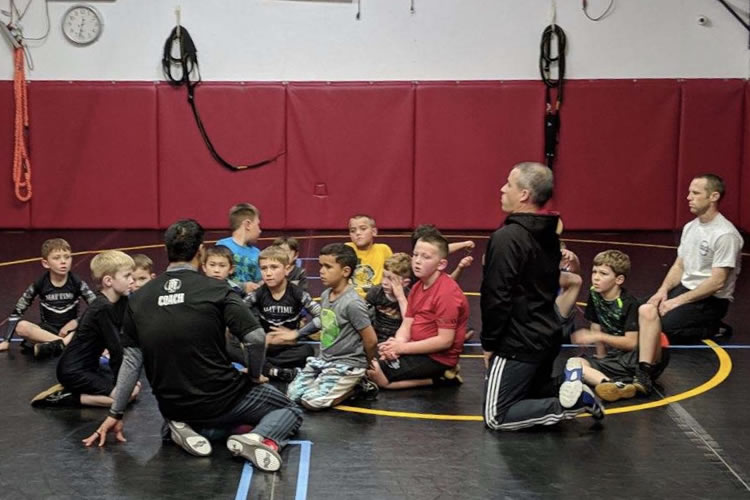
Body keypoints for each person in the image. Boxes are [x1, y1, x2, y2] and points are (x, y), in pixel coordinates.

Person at [83, 219, 302, 473]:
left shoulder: (138, 298)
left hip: (172, 404)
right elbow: (255, 338)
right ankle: (254, 439)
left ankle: (181, 426)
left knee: (213, 421)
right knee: (289, 408)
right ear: (201, 251)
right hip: (222, 397)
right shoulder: (217, 289)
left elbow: (132, 361)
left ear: (166, 251)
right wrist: (254, 375)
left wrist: (115, 413)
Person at [481, 162, 604, 431]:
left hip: (518, 341)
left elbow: (497, 296)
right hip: (546, 334)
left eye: (509, 184)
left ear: (524, 194)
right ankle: (568, 382)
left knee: (496, 416)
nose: (502, 189)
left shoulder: (507, 238)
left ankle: (570, 403)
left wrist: (490, 343)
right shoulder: (548, 233)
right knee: (532, 393)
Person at [635, 173, 743, 394]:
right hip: (685, 290)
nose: (688, 197)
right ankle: (678, 311)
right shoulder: (691, 227)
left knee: (662, 327)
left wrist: (676, 303)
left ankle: (713, 326)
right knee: (636, 312)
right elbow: (678, 266)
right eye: (689, 192)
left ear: (713, 196)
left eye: (695, 193)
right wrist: (662, 292)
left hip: (710, 300)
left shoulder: (725, 234)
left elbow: (717, 282)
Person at [31, 251, 142, 408]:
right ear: (108, 281)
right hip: (73, 371)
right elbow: (116, 349)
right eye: (127, 276)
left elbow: (125, 336)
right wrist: (122, 382)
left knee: (135, 388)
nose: (132, 281)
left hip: (91, 367)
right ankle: (63, 397)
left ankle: (83, 390)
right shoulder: (102, 308)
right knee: (123, 398)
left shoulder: (121, 301)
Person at [367, 233, 469, 389]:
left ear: (441, 264)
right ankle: (440, 377)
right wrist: (398, 343)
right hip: (415, 347)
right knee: (365, 360)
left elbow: (444, 341)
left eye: (426, 257)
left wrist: (402, 348)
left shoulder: (447, 293)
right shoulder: (417, 287)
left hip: (436, 357)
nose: (417, 261)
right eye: (415, 255)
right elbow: (407, 323)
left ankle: (441, 377)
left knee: (374, 372)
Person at [286, 243, 378, 410]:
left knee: (311, 402)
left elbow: (370, 340)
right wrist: (296, 334)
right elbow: (323, 320)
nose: (321, 271)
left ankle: (356, 387)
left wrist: (365, 364)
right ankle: (334, 383)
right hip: (325, 360)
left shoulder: (353, 303)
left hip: (347, 363)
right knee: (292, 396)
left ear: (345, 271)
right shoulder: (326, 294)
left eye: (328, 267)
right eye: (321, 265)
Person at [568, 250, 668, 402]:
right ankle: (611, 385)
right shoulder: (595, 294)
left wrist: (598, 336)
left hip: (644, 356)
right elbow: (596, 325)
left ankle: (643, 376)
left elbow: (631, 343)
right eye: (594, 272)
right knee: (574, 363)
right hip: (621, 358)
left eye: (603, 274)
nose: (596, 277)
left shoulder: (628, 303)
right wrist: (601, 356)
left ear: (619, 279)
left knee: (647, 309)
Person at [0, 238, 97, 358]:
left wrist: (76, 322)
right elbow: (18, 311)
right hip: (47, 331)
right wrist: (6, 341)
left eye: (67, 257)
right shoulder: (39, 284)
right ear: (46, 263)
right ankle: (64, 344)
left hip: (71, 331)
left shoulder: (77, 283)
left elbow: (96, 307)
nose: (63, 262)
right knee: (22, 327)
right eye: (57, 258)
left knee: (92, 327)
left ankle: (53, 346)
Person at [246, 246, 321, 382]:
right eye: (264, 268)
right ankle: (277, 371)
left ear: (286, 269)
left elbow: (323, 317)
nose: (268, 273)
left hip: (288, 347)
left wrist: (296, 334)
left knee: (307, 351)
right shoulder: (258, 293)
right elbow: (235, 313)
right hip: (265, 346)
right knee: (235, 347)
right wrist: (259, 337)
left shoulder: (297, 293)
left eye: (274, 267)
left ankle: (263, 368)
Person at [201, 245, 266, 383]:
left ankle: (264, 372)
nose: (216, 270)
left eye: (222, 265)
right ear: (204, 267)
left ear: (231, 269)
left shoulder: (235, 289)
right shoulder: (198, 288)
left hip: (231, 339)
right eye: (212, 265)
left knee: (252, 355)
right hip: (207, 338)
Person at [217, 203, 263, 294]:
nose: (260, 230)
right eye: (258, 225)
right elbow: (216, 280)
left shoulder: (257, 253)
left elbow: (259, 280)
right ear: (248, 224)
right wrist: (243, 287)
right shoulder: (222, 246)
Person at [365, 252, 411, 343]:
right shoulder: (376, 292)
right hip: (376, 336)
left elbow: (409, 324)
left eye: (390, 279)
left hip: (399, 338)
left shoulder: (410, 296)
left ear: (405, 283)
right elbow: (363, 315)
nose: (384, 282)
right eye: (384, 276)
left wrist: (400, 297)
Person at [346, 214, 393, 297]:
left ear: (374, 232)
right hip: (352, 299)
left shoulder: (383, 249)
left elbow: (393, 275)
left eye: (363, 229)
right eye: (353, 230)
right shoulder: (346, 249)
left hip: (377, 299)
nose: (358, 233)